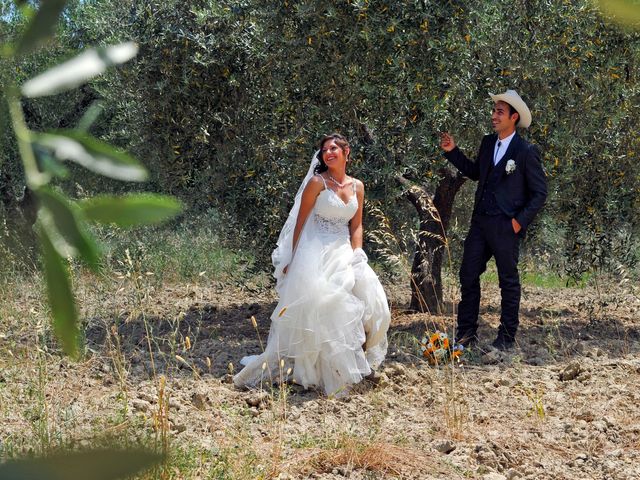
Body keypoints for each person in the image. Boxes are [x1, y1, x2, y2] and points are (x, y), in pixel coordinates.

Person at [234, 133, 390, 396]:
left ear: (346, 152)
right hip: (316, 249)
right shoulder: (317, 183)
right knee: (328, 303)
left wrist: (358, 254)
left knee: (375, 304)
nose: (328, 153)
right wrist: (293, 258)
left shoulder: (357, 186)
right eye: (324, 150)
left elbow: (357, 224)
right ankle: (331, 375)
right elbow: (300, 222)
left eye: (333, 148)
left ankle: (358, 366)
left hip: (344, 249)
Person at [440, 90, 547, 351]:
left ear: (514, 117)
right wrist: (453, 152)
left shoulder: (526, 151)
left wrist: (517, 223)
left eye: (499, 112)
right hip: (480, 223)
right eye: (494, 111)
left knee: (508, 281)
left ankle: (506, 338)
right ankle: (466, 335)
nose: (494, 116)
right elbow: (477, 172)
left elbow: (540, 193)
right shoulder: (488, 143)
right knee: (467, 274)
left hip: (506, 226)